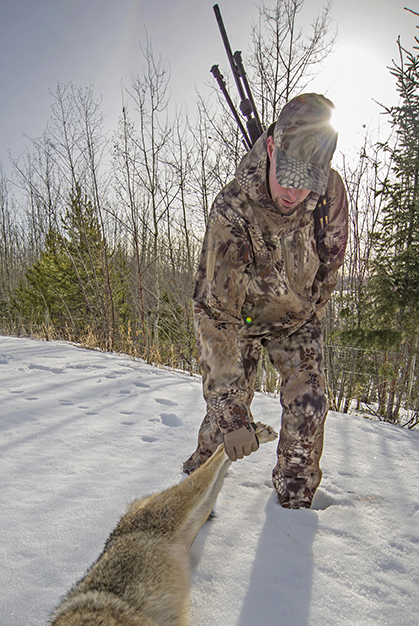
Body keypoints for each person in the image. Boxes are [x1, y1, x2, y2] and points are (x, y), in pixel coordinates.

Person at [182, 93, 348, 509]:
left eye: (306, 178)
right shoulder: (232, 210)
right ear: (271, 148)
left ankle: (294, 506)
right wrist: (233, 411)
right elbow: (214, 312)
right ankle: (193, 486)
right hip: (243, 318)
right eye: (288, 174)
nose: (294, 192)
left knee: (309, 401)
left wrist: (312, 309)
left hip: (296, 317)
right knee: (225, 425)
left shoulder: (328, 192)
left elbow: (332, 260)